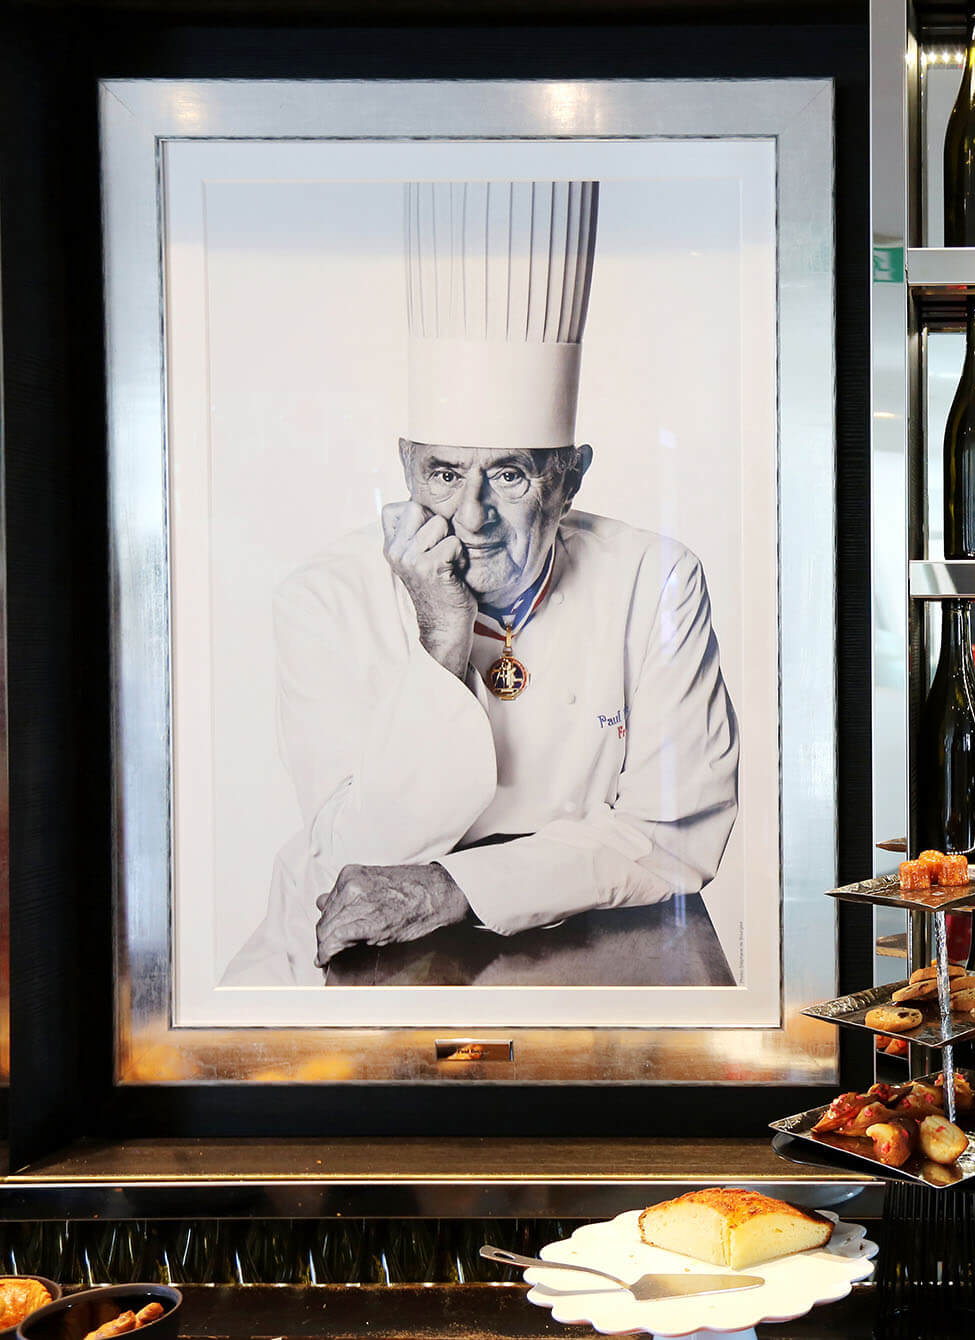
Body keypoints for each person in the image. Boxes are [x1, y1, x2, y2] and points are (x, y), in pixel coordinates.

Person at [226, 180, 741, 986]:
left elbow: (675, 834)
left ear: (568, 478)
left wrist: (459, 886)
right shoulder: (323, 597)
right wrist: (440, 636)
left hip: (575, 952)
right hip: (339, 963)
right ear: (406, 468)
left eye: (508, 474)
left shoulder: (655, 580)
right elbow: (364, 852)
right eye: (443, 474)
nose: (471, 516)